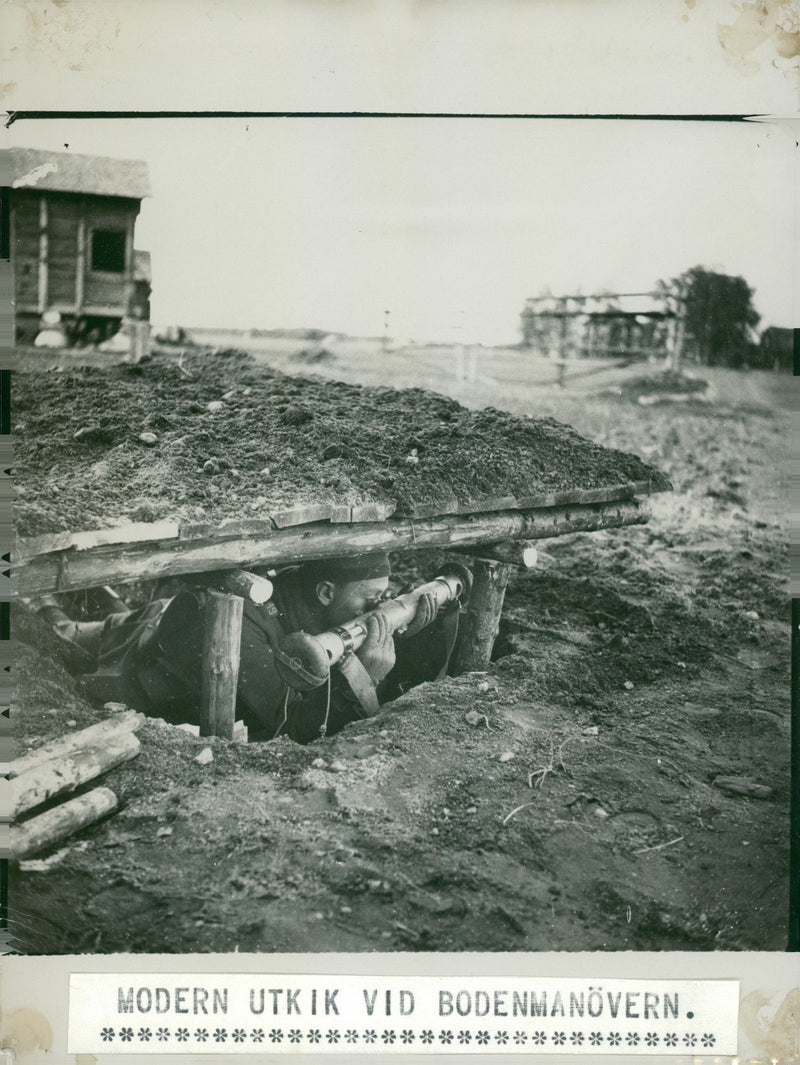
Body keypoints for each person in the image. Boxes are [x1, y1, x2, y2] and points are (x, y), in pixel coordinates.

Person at [41, 552, 454, 744]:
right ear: (326, 592)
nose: (378, 610)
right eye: (370, 599)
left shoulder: (311, 607)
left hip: (161, 625)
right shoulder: (249, 628)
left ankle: (87, 596)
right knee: (59, 630)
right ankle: (38, 598)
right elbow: (292, 730)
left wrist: (426, 628)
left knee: (106, 609)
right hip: (147, 646)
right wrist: (367, 678)